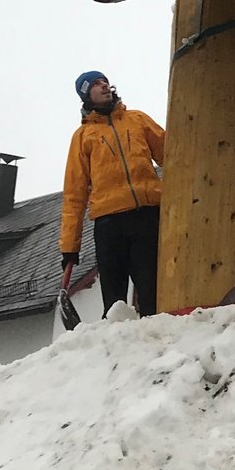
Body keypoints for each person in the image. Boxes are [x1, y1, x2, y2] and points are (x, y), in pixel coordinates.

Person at [59, 70, 165, 316]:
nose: (104, 86)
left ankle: (161, 344)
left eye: (105, 81)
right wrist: (69, 246)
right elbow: (74, 195)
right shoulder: (83, 137)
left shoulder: (138, 119)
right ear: (86, 95)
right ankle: (118, 348)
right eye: (96, 84)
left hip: (146, 216)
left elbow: (173, 155)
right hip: (109, 224)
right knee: (115, 301)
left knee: (153, 291)